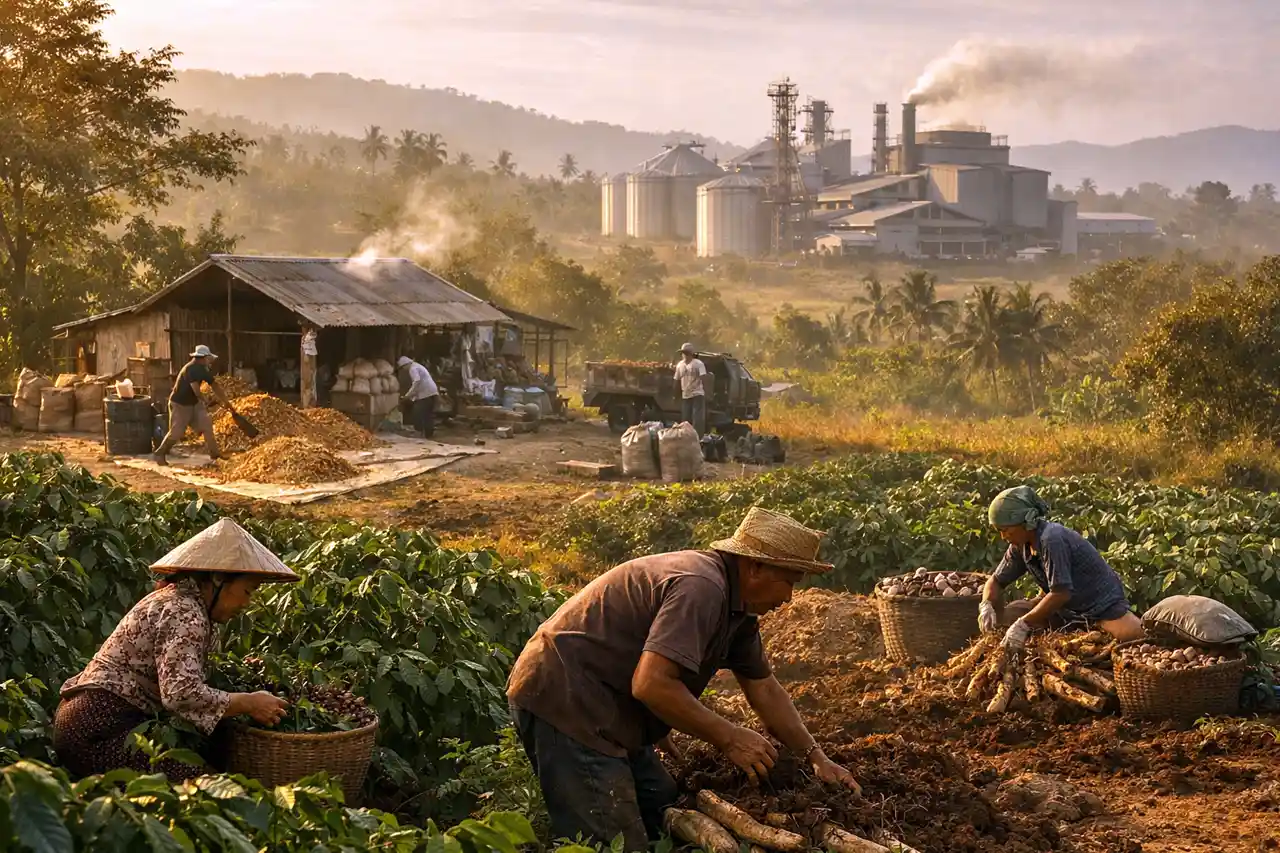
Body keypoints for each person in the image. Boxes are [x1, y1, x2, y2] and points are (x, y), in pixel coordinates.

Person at [507, 507, 860, 852]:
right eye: (788, 581)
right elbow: (650, 684)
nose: (788, 598)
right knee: (612, 841)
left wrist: (816, 757)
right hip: (567, 698)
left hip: (610, 704)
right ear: (753, 566)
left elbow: (764, 688)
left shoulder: (740, 612)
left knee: (663, 803)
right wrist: (729, 737)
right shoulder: (701, 588)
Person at [52, 519, 301, 781]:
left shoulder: (180, 601)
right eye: (247, 591)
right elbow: (181, 693)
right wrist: (248, 702)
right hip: (99, 730)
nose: (246, 603)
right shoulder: (184, 612)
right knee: (207, 791)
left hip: (91, 724)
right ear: (218, 579)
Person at [979, 485, 1146, 651]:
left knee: (1139, 641)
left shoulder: (1051, 539)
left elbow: (1061, 594)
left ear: (1025, 521)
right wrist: (986, 604)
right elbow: (995, 580)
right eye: (999, 531)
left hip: (1100, 609)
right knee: (1009, 616)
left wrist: (1023, 624)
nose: (1003, 536)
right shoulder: (1020, 545)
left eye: (1005, 530)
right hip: (1065, 610)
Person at [154, 345, 230, 466]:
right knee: (177, 432)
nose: (209, 361)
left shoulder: (203, 369)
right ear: (203, 358)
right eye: (208, 358)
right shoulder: (190, 369)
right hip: (180, 404)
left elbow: (214, 385)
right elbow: (195, 389)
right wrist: (205, 400)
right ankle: (160, 453)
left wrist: (226, 402)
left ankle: (215, 454)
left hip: (194, 403)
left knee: (206, 425)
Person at [398, 355, 439, 439]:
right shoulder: (418, 366)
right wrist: (412, 397)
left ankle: (419, 432)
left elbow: (417, 381)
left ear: (405, 365)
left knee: (417, 413)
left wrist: (407, 395)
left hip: (426, 393)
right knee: (428, 414)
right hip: (431, 392)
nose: (404, 370)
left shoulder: (413, 368)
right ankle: (429, 433)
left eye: (403, 368)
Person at [674, 343, 708, 436]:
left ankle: (698, 437)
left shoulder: (698, 364)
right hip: (686, 395)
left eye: (686, 353)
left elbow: (704, 378)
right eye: (683, 353)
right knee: (685, 419)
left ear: (691, 354)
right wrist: (675, 395)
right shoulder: (680, 365)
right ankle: (686, 437)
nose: (685, 355)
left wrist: (707, 393)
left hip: (697, 393)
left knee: (697, 419)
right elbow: (676, 380)